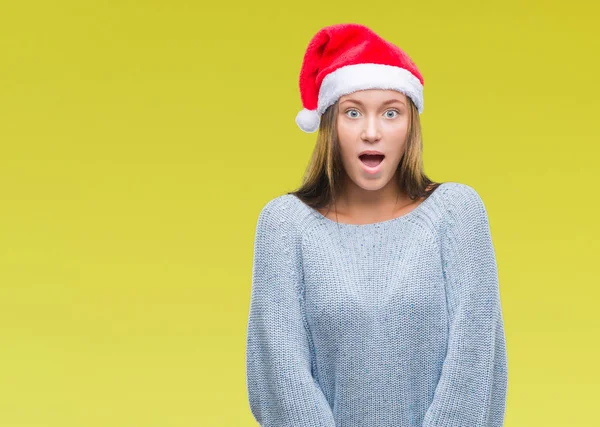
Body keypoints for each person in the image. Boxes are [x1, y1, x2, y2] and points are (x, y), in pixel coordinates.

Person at [245, 22, 508, 427]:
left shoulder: (456, 213)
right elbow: (278, 376)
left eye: (390, 112)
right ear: (331, 124)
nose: (372, 132)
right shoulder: (285, 225)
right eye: (353, 112)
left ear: (410, 126)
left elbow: (475, 365)